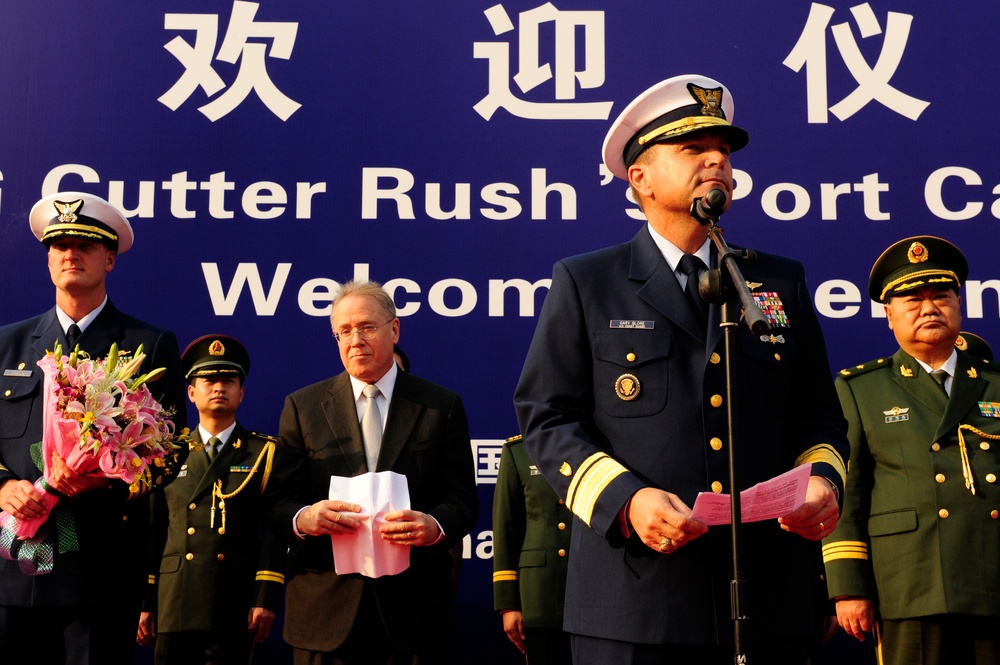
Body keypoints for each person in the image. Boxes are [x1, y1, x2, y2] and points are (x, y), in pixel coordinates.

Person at [513, 74, 850, 665]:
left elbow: (820, 419)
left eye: (723, 151)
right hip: (638, 600)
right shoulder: (587, 281)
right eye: (693, 149)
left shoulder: (777, 282)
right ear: (638, 177)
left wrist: (824, 482)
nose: (716, 160)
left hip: (769, 597)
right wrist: (627, 501)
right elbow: (547, 419)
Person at [0, 191, 187, 664]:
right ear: (47, 259)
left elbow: (171, 455)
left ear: (109, 259)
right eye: (59, 244)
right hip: (15, 566)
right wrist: (3, 488)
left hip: (101, 568)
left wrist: (102, 480)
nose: (70, 254)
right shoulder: (7, 345)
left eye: (84, 244)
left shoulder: (148, 346)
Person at [269, 280, 478, 664]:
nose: (355, 340)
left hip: (414, 613)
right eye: (343, 331)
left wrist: (434, 525)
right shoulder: (303, 406)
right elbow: (278, 502)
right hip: (324, 612)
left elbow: (463, 500)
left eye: (367, 327)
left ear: (394, 329)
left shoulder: (440, 406)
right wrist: (306, 518)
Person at [823, 236, 1000, 665]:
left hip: (993, 577)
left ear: (959, 304)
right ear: (889, 315)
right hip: (909, 581)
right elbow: (849, 495)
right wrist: (849, 587)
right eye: (911, 299)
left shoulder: (995, 383)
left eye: (940, 295)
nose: (928, 308)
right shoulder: (862, 388)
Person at [138, 334, 286, 664]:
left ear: (241, 392)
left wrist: (266, 596)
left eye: (228, 380)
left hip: (232, 598)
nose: (219, 387)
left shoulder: (264, 452)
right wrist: (147, 601)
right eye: (209, 380)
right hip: (175, 599)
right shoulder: (164, 452)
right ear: (191, 392)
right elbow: (153, 532)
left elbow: (273, 535)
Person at [492, 434, 573, 664]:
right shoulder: (518, 450)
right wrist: (508, 604)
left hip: (594, 597)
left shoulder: (600, 445)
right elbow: (507, 528)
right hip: (539, 599)